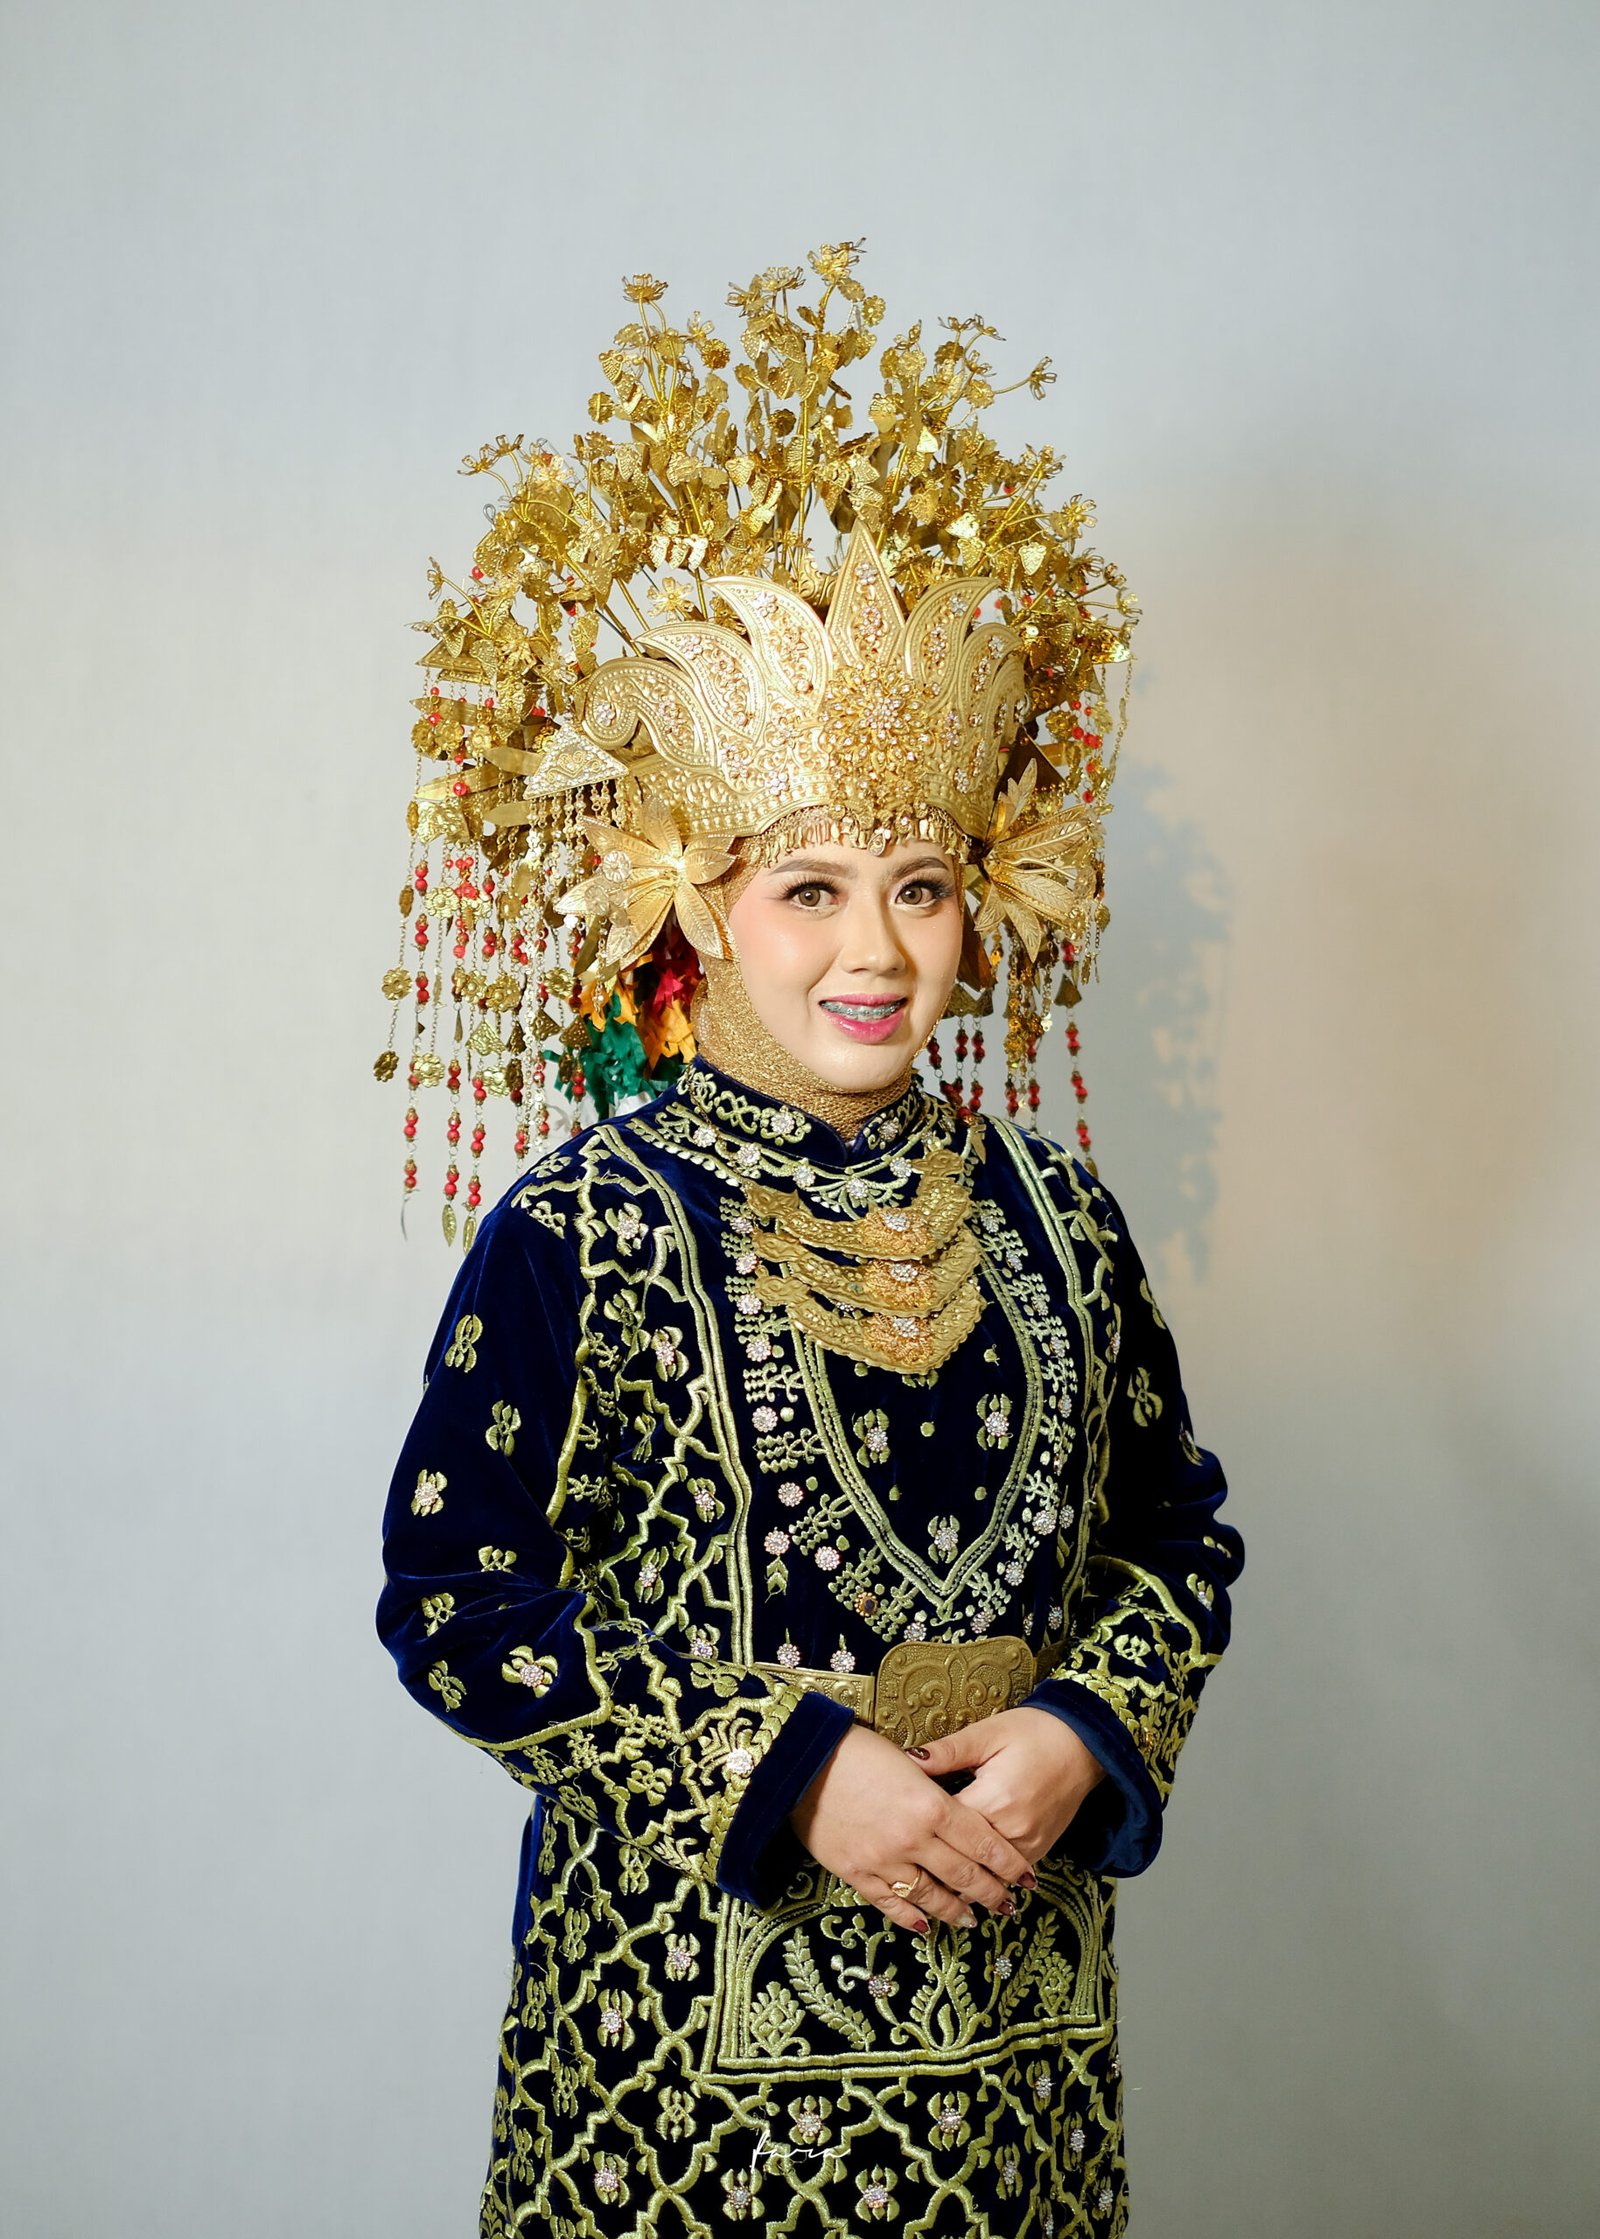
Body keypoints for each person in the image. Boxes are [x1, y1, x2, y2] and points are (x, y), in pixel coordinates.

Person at [376, 249, 1243, 2238]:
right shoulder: (580, 1231)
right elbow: (454, 1600)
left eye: (922, 885)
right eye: (809, 889)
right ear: (694, 903)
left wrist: (1082, 1730)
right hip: (674, 2078)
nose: (877, 951)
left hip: (1014, 2067)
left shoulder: (1058, 1217)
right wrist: (787, 1770)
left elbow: (1172, 1536)